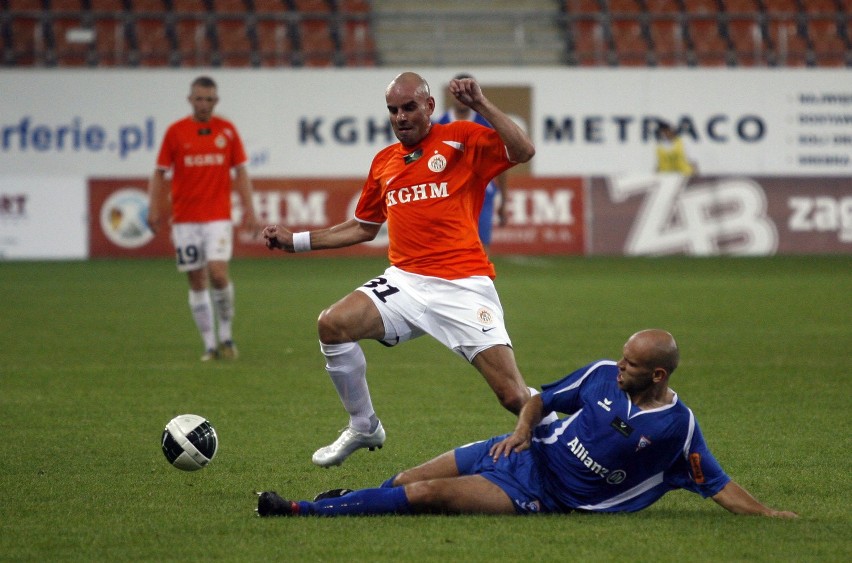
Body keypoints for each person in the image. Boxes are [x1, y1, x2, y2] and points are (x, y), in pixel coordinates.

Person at [262, 72, 536, 468]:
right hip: (405, 283)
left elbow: (523, 150)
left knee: (512, 397)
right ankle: (364, 424)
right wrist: (297, 241)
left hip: (463, 285)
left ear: (429, 107)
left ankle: (575, 441)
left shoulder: (459, 137)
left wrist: (481, 105)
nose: (400, 117)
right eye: (393, 110)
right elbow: (363, 227)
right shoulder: (384, 163)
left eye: (409, 108)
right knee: (332, 324)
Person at [256, 329, 797, 518]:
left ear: (656, 374)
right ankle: (350, 500)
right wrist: (520, 431)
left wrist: (769, 513)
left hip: (547, 492)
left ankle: (303, 510)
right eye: (621, 358)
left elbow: (716, 483)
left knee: (426, 494)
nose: (619, 366)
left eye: (631, 364)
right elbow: (539, 399)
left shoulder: (677, 427)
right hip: (522, 448)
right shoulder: (602, 374)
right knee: (401, 481)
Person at [147, 75, 259, 362]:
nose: (204, 104)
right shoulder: (175, 132)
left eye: (209, 99)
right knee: (196, 280)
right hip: (184, 220)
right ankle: (209, 345)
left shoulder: (227, 131)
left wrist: (250, 208)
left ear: (215, 101)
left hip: (217, 217)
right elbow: (159, 173)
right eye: (199, 98)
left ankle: (226, 334)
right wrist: (154, 207)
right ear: (190, 99)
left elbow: (242, 171)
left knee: (218, 274)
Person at [434, 72, 509, 248]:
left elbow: (502, 164)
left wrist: (504, 200)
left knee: (481, 248)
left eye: (466, 92)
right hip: (448, 194)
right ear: (452, 94)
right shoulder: (438, 125)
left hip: (482, 193)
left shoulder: (486, 125)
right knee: (448, 249)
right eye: (458, 92)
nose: (462, 97)